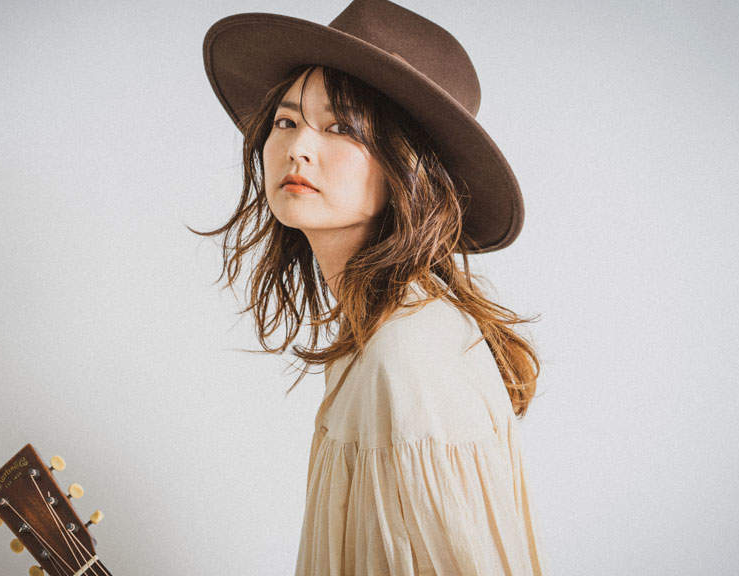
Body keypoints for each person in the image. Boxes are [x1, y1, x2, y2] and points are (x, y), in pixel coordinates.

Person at [195, 0, 546, 574]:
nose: (298, 148)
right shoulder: (378, 328)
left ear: (407, 169)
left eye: (341, 128)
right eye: (286, 121)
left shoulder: (406, 355)